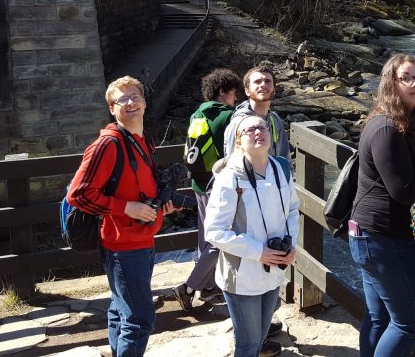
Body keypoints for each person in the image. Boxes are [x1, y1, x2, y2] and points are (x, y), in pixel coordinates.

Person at [66, 76, 179, 357]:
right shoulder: (108, 145)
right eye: (122, 99)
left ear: (144, 102)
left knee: (120, 308)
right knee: (140, 320)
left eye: (135, 96)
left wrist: (159, 205)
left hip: (141, 239)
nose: (130, 102)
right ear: (112, 109)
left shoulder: (140, 139)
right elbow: (78, 195)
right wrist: (126, 208)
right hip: (123, 245)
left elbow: (138, 184)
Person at [350, 53, 415, 357]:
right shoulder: (386, 128)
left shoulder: (400, 123)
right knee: (409, 323)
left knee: (380, 317)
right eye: (406, 77)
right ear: (391, 82)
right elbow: (403, 191)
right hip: (385, 240)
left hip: (372, 236)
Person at [205, 115, 301, 357]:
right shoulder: (230, 177)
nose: (258, 132)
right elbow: (214, 231)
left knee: (259, 338)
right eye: (249, 130)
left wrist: (291, 244)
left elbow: (292, 209)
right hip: (242, 276)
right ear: (238, 142)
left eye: (262, 127)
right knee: (248, 345)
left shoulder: (279, 169)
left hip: (274, 268)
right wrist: (259, 252)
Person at [175, 69, 241, 315]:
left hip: (199, 184)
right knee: (219, 238)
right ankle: (190, 286)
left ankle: (208, 284)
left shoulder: (197, 113)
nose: (236, 99)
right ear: (223, 92)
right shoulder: (228, 116)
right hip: (219, 185)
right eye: (234, 93)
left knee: (205, 236)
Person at [226, 65, 292, 161]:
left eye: (267, 81)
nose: (263, 85)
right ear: (247, 91)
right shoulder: (238, 122)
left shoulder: (275, 120)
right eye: (257, 82)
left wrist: (286, 175)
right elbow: (231, 162)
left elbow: (285, 158)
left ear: (274, 89)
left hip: (274, 175)